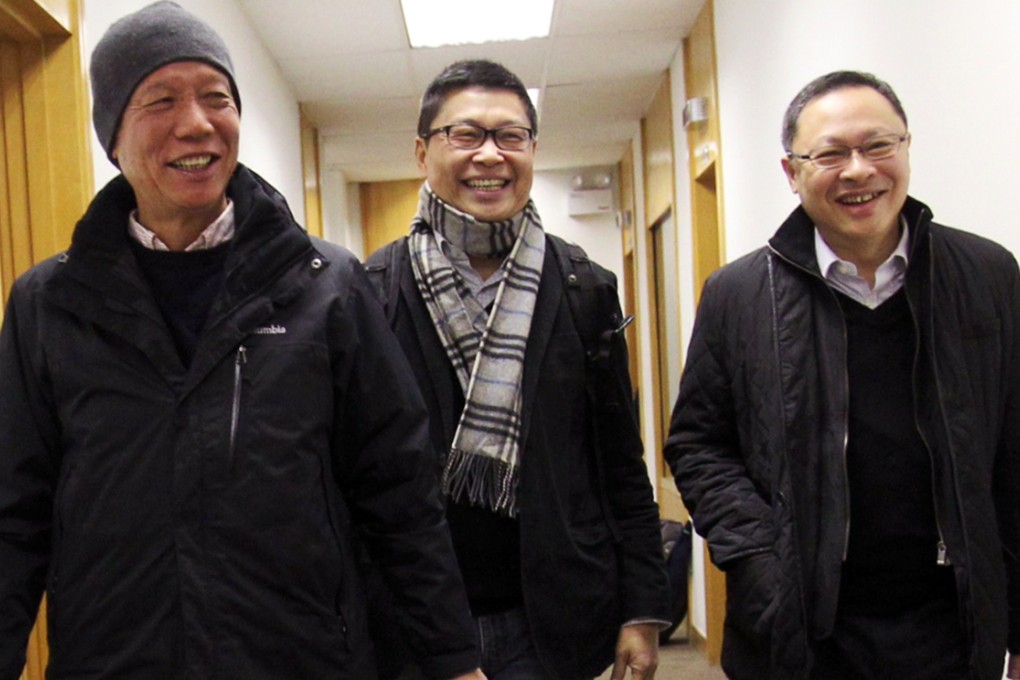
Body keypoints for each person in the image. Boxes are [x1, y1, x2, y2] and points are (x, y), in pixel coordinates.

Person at [0, 3, 486, 679]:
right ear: (112, 136)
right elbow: (13, 514)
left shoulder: (328, 287)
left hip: (299, 657)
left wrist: (453, 660)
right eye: (161, 99)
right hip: (116, 661)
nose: (196, 123)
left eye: (217, 97)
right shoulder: (49, 304)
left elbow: (398, 496)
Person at [665, 70, 1020, 680]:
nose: (859, 170)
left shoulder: (987, 275)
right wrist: (761, 557)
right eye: (830, 153)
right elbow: (698, 444)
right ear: (792, 171)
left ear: (906, 149)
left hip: (954, 626)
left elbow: (1014, 450)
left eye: (879, 146)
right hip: (803, 631)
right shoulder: (738, 294)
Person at [363, 60, 670, 680]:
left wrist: (641, 606)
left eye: (511, 136)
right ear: (423, 151)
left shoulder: (582, 286)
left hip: (554, 618)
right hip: (417, 625)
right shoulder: (370, 292)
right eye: (466, 135)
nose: (490, 155)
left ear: (532, 149)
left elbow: (619, 462)